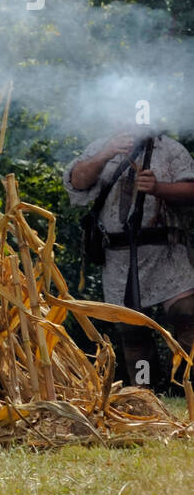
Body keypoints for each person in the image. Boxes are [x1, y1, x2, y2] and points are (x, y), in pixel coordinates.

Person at [65, 127, 194, 389]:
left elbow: (191, 190)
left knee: (188, 314)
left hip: (167, 252)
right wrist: (106, 154)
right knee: (132, 330)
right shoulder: (102, 145)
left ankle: (187, 385)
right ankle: (144, 392)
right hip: (119, 258)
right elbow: (77, 181)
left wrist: (159, 188)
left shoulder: (170, 149)